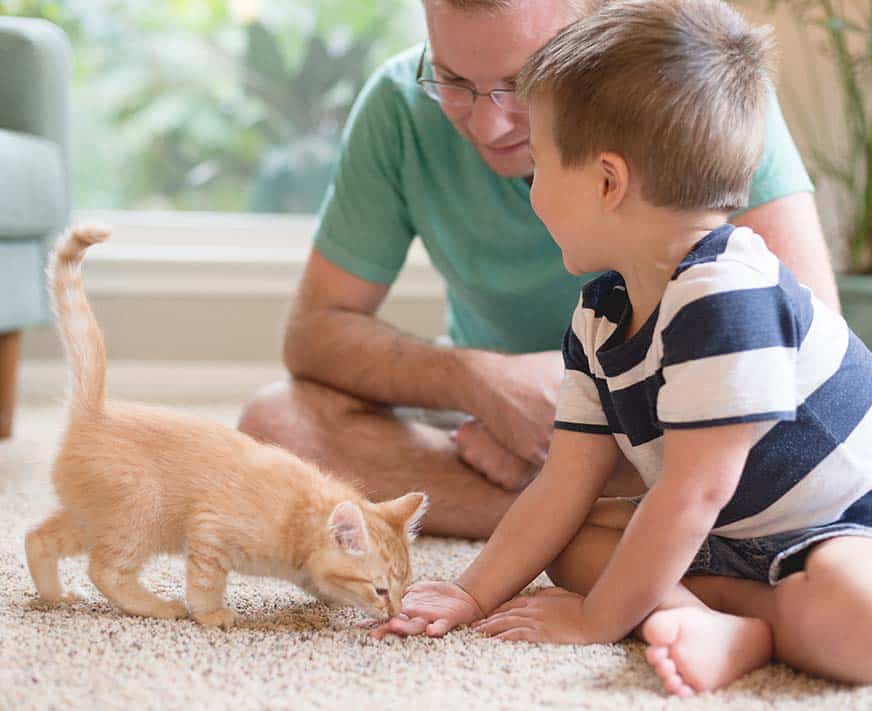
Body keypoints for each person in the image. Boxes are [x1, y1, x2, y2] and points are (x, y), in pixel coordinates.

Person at [370, 0, 872, 696]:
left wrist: (598, 620)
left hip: (858, 521)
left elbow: (691, 492)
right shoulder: (601, 314)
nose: (531, 186)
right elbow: (564, 482)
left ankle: (742, 622)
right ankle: (720, 618)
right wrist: (471, 592)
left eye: (540, 164)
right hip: (735, 535)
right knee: (572, 541)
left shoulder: (731, 293)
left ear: (607, 182)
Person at [239, 0, 839, 540]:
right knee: (276, 424)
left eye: (522, 85)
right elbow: (316, 331)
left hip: (674, 413)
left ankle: (584, 505)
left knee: (770, 442)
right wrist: (481, 380)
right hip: (484, 429)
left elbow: (804, 340)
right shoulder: (398, 104)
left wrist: (584, 408)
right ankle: (619, 515)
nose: (486, 125)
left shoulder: (690, 86)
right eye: (453, 80)